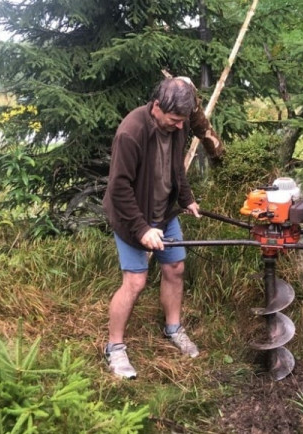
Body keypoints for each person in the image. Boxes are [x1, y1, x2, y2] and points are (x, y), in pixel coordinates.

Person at [102, 77, 202, 378]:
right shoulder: (131, 132)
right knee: (135, 281)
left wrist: (186, 199)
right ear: (157, 107)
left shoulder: (176, 127)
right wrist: (142, 228)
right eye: (174, 120)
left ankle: (173, 328)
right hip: (132, 217)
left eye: (183, 121)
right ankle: (114, 348)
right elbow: (118, 188)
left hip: (165, 214)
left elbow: (176, 169)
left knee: (175, 269)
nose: (180, 126)